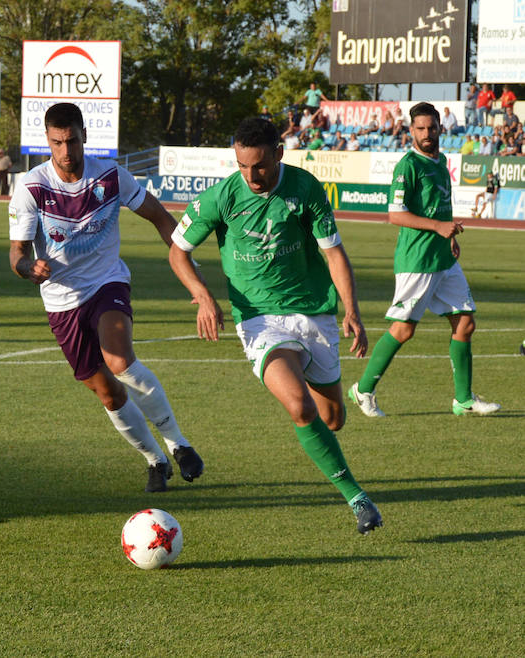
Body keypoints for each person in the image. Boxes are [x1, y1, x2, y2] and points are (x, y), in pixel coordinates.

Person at [168, 117, 382, 535]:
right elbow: (178, 252)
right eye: (243, 165)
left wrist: (351, 310)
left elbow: (334, 254)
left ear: (278, 154)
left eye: (260, 165)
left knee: (332, 419)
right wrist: (203, 296)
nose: (251, 176)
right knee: (300, 407)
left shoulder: (305, 189)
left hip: (314, 313)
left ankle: (330, 439)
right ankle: (359, 500)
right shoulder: (222, 197)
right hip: (259, 319)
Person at [8, 102, 204, 493]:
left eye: (73, 140)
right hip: (61, 301)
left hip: (107, 283)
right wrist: (28, 269)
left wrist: (188, 268)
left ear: (85, 136)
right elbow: (17, 253)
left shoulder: (111, 177)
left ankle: (178, 444)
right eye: (57, 142)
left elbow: (161, 217)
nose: (66, 151)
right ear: (47, 140)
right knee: (107, 392)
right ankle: (155, 460)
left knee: (119, 360)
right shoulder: (32, 186)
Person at [348, 102, 500, 419]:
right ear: (411, 130)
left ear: (440, 128)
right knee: (403, 330)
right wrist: (438, 227)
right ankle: (363, 390)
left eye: (431, 127)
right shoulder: (408, 166)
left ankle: (463, 399)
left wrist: (450, 236)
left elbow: (438, 206)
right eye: (420, 128)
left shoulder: (441, 160)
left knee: (465, 322)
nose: (427, 133)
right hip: (417, 259)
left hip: (443, 258)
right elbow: (395, 215)